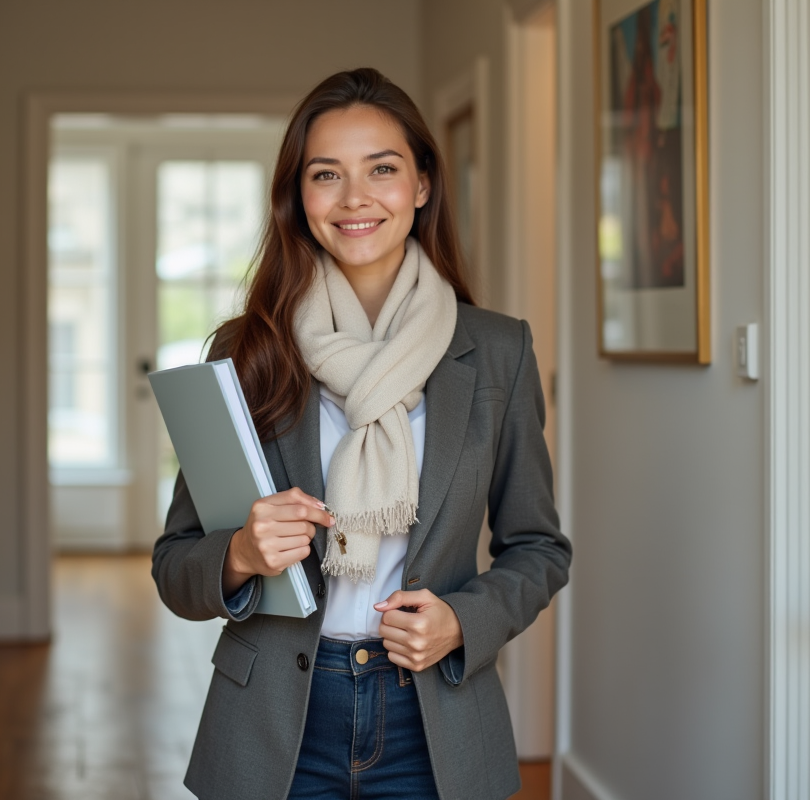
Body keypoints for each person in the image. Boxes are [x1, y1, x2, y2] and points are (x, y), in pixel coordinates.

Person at [152, 67, 571, 800]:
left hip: (434, 721)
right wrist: (242, 554)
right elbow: (175, 568)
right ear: (298, 196)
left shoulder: (498, 352)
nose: (354, 198)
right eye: (326, 174)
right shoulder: (245, 352)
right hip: (274, 725)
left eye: (382, 168)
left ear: (422, 185)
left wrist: (463, 623)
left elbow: (538, 548)